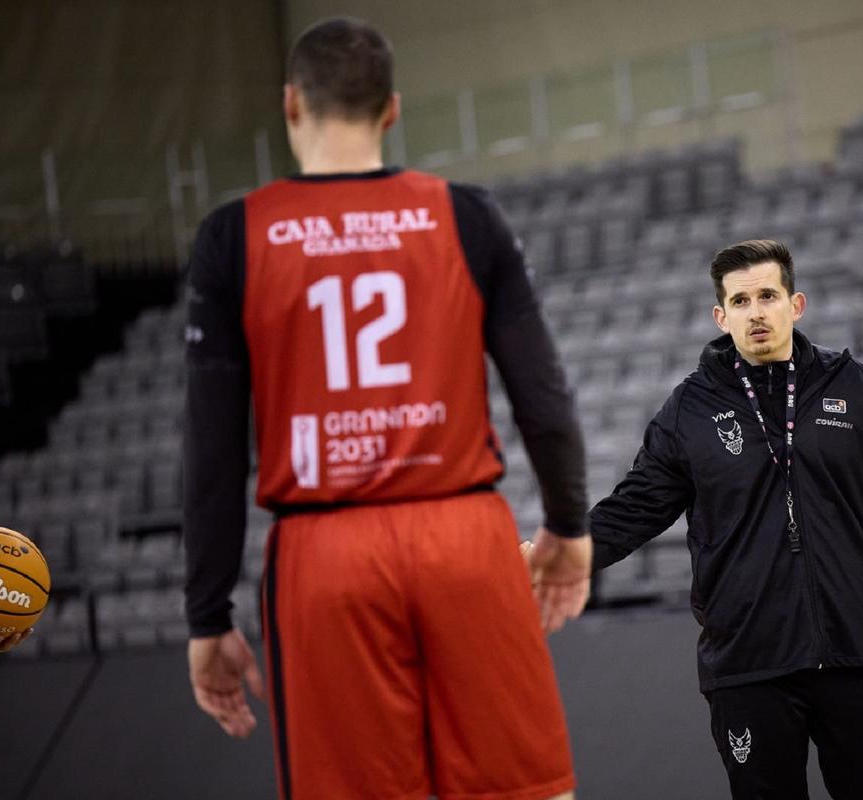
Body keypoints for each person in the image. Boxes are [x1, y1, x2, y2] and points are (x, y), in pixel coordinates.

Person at [182, 17, 591, 800]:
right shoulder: (467, 216)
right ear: (393, 110)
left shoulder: (233, 236)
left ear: (290, 106)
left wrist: (208, 613)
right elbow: (544, 397)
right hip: (466, 539)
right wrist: (568, 524)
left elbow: (212, 447)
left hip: (323, 559)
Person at [560, 239, 863, 799]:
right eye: (741, 301)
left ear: (795, 305)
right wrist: (563, 553)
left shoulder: (850, 386)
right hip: (749, 663)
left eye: (768, 296)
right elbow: (635, 508)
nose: (757, 313)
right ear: (721, 317)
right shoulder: (690, 410)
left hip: (856, 651)